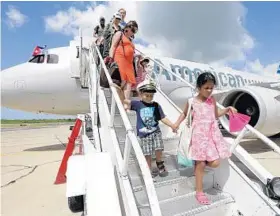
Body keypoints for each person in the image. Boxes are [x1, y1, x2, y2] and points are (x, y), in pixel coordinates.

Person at [174, 72, 237, 205]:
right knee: (201, 163)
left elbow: (215, 115)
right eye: (206, 88)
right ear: (198, 87)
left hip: (211, 135)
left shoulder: (212, 100)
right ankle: (199, 191)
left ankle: (197, 166)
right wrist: (176, 124)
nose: (209, 91)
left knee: (215, 163)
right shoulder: (192, 101)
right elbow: (185, 114)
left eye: (211, 88)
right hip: (198, 136)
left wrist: (227, 109)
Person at [124, 79, 177, 177]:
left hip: (155, 131)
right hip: (144, 134)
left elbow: (163, 118)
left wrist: (172, 125)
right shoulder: (137, 104)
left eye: (151, 96)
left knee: (159, 148)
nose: (149, 98)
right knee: (147, 154)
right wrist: (119, 89)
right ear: (140, 94)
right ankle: (148, 169)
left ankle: (159, 163)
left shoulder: (156, 105)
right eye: (146, 95)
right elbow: (125, 100)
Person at [109, 20, 138, 109]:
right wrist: (110, 59)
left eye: (135, 31)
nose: (133, 33)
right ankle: (122, 105)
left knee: (128, 85)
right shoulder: (119, 34)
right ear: (128, 27)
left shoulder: (130, 40)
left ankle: (126, 107)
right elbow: (113, 46)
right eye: (133, 30)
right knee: (120, 84)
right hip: (120, 60)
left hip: (129, 64)